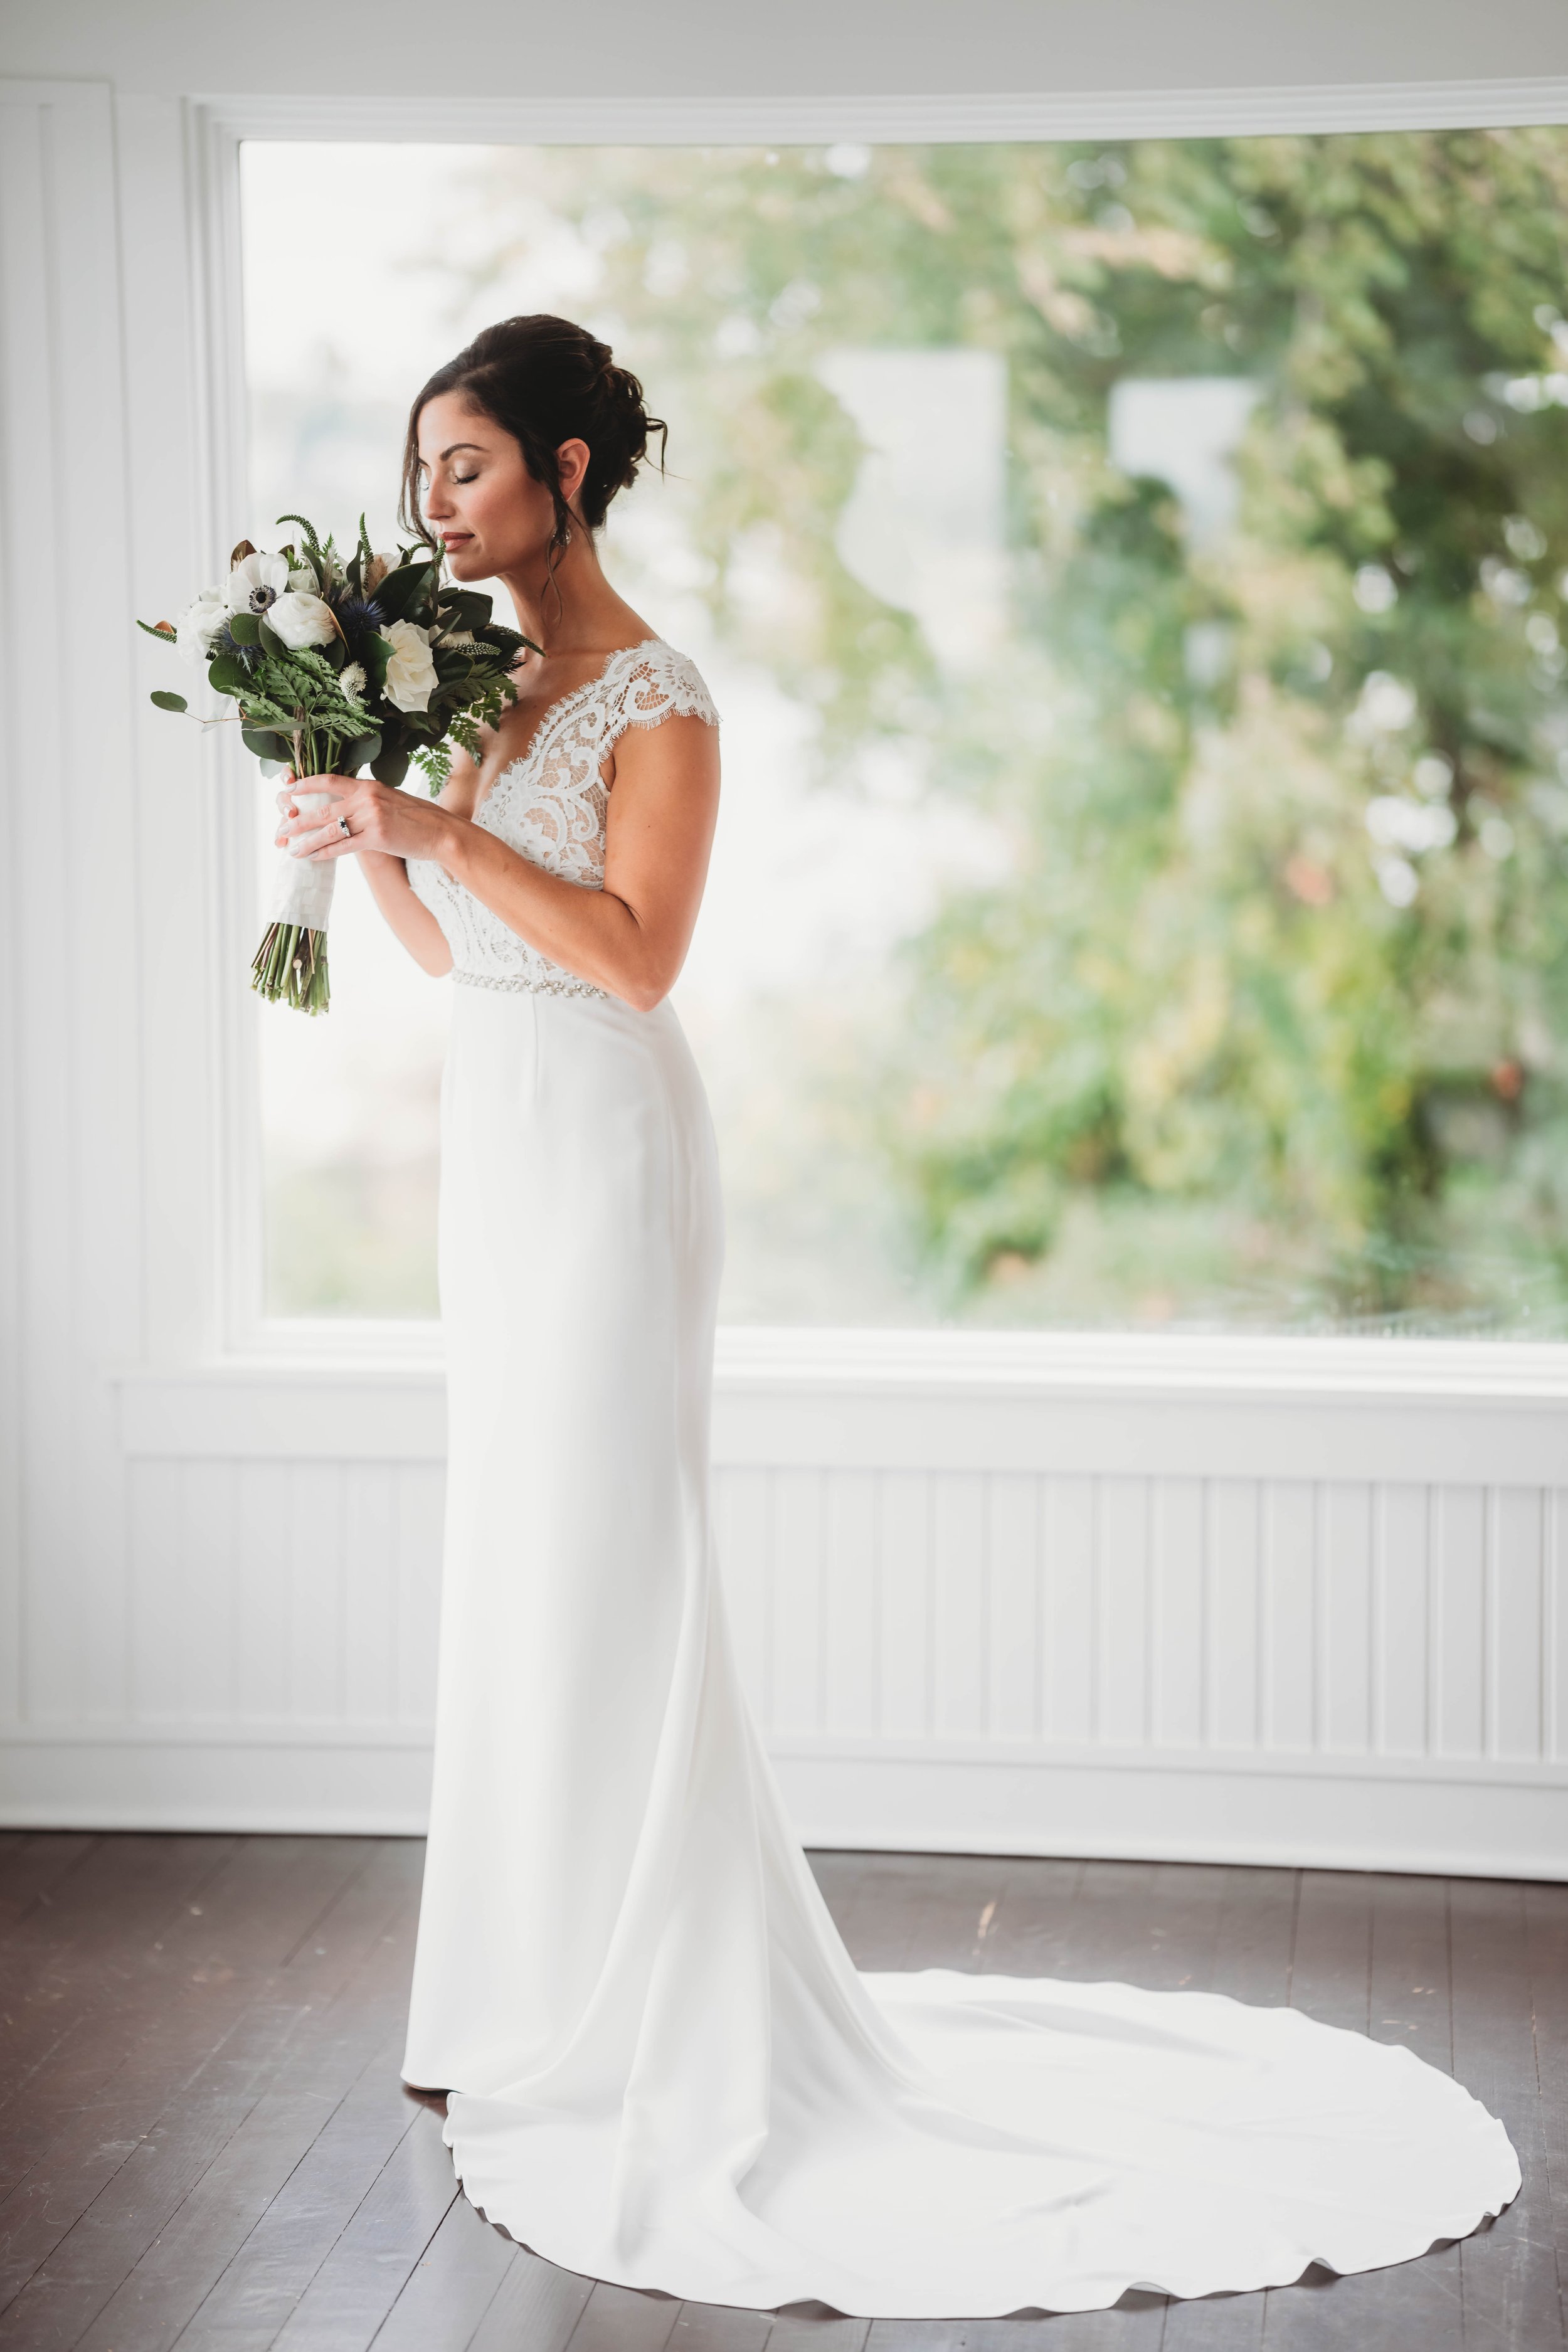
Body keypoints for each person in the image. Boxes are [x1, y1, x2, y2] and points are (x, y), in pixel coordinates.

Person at [274, 313, 1519, 2319]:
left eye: (469, 463)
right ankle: (515, 1995)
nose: (435, 501)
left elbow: (634, 960)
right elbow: (474, 959)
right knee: (515, 1558)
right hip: (496, 1149)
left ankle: (644, 2011)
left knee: (615, 1559)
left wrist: (434, 833)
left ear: (572, 470)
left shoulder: (656, 695)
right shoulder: (481, 682)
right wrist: (369, 844)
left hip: (607, 1156)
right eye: (423, 467)